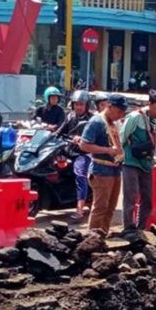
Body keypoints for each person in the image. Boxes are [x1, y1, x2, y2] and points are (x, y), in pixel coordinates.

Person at [119, 89, 156, 233]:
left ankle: (141, 228)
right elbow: (122, 138)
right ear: (150, 104)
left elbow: (155, 139)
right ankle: (128, 228)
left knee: (148, 197)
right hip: (131, 162)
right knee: (131, 195)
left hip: (147, 163)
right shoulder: (134, 117)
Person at [79, 94, 127, 234]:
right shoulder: (96, 121)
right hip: (101, 169)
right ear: (109, 107)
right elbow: (84, 145)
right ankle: (91, 239)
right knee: (100, 208)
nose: (120, 115)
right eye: (119, 112)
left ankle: (102, 236)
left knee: (110, 208)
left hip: (115, 169)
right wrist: (107, 150)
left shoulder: (115, 123)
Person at [60, 90, 94, 221]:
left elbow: (93, 138)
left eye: (81, 104)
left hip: (83, 153)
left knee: (80, 175)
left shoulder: (91, 120)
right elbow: (60, 131)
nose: (78, 107)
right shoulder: (70, 117)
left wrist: (81, 139)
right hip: (68, 150)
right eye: (76, 104)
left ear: (86, 105)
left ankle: (79, 210)